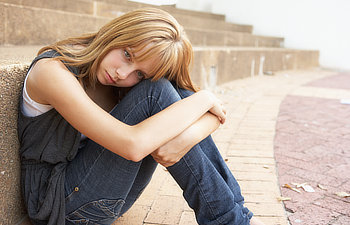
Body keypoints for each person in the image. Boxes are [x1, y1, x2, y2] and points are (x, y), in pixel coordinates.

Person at [17, 7, 265, 225]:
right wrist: (205, 98)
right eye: (127, 54)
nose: (123, 74)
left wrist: (182, 141)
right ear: (118, 32)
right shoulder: (51, 71)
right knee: (157, 93)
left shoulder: (121, 76)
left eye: (139, 74)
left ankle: (236, 216)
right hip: (58, 206)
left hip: (104, 198)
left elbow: (213, 115)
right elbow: (133, 146)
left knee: (174, 90)